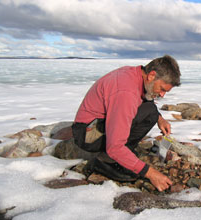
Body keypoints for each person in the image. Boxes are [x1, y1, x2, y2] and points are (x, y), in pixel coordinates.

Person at [72, 55, 181, 192]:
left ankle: (123, 156)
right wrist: (150, 173)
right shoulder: (126, 92)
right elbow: (115, 146)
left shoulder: (134, 73)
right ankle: (105, 161)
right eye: (162, 89)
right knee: (119, 148)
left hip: (95, 125)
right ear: (152, 75)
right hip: (87, 135)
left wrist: (160, 119)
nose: (162, 95)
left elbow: (145, 103)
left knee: (151, 111)